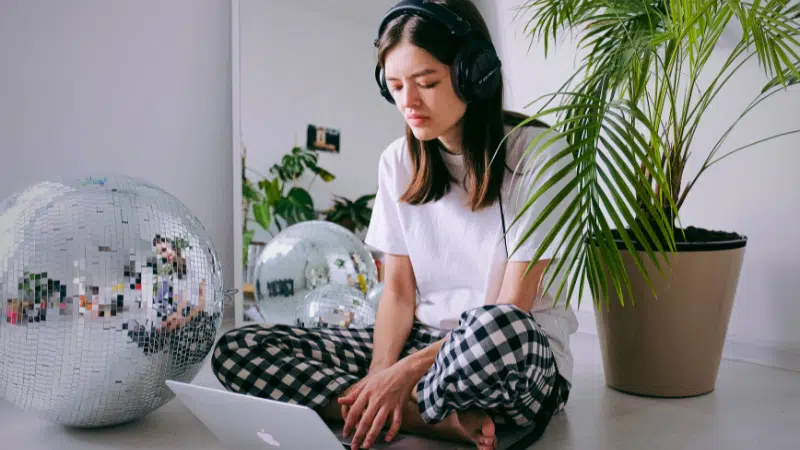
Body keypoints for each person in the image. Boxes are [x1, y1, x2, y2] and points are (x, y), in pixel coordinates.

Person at [210, 1, 578, 449]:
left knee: (496, 326)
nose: (409, 102)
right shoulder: (397, 162)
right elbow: (399, 293)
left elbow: (513, 305)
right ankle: (424, 417)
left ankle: (387, 404)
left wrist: (401, 374)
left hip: (509, 356)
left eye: (427, 83)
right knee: (239, 350)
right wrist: (380, 373)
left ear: (473, 74)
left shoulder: (539, 154)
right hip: (422, 342)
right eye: (396, 86)